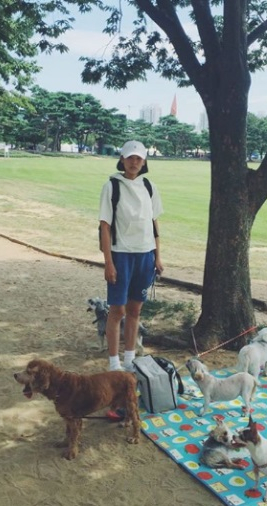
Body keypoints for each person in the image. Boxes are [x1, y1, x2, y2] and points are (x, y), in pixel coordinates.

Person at [99, 140, 164, 372]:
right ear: (122, 160)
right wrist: (108, 262)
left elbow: (154, 223)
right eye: (130, 158)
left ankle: (129, 359)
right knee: (117, 310)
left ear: (144, 161)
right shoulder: (112, 186)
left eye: (138, 158)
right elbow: (104, 226)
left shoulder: (150, 187)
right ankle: (114, 363)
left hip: (145, 255)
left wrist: (158, 255)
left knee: (135, 310)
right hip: (121, 254)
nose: (134, 162)